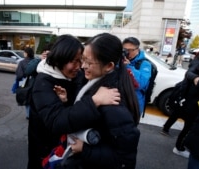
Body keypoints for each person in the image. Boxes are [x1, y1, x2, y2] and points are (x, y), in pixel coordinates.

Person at [39, 33, 140, 169]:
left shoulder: (112, 101)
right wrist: (67, 101)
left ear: (109, 66)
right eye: (82, 59)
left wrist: (85, 150)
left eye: (89, 62)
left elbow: (125, 160)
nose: (82, 66)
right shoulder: (93, 82)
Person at [170, 48, 199, 159]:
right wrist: (195, 77)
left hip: (195, 101)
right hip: (193, 101)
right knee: (189, 126)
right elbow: (189, 73)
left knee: (188, 125)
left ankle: (180, 145)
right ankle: (179, 147)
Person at [160, 54, 199, 137]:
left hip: (185, 93)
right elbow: (189, 73)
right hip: (187, 94)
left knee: (177, 112)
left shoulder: (197, 62)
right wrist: (195, 78)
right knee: (187, 116)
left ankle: (166, 128)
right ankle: (180, 141)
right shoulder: (198, 64)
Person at [122, 37, 152, 115]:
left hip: (134, 103)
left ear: (138, 49)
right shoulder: (119, 61)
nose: (127, 52)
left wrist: (128, 67)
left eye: (130, 50)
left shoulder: (145, 64)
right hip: (120, 101)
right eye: (125, 50)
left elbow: (141, 84)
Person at [15, 47, 35, 119]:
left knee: (27, 99)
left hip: (25, 83)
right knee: (33, 98)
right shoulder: (35, 61)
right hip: (34, 83)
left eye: (24, 52)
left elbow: (19, 75)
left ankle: (28, 115)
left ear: (26, 53)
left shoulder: (22, 62)